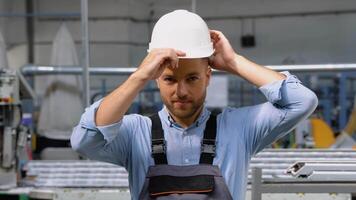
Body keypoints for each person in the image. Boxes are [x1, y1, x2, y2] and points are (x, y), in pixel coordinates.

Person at [71, 10, 318, 200]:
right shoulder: (135, 133)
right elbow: (84, 141)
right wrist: (138, 77)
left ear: (208, 76)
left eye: (192, 78)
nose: (181, 91)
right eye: (169, 79)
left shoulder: (240, 129)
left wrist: (234, 62)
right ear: (156, 77)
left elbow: (302, 101)